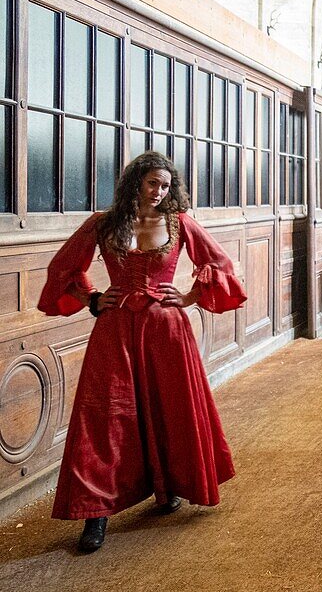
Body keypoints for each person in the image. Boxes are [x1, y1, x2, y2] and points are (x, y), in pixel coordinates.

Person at [36, 151, 246, 552]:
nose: (159, 191)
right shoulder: (103, 223)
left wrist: (187, 296)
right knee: (106, 417)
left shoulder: (179, 222)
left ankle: (168, 488)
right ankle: (95, 514)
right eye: (153, 183)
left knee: (168, 407)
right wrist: (93, 298)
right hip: (114, 330)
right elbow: (63, 268)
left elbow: (219, 263)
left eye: (165, 185)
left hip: (166, 329)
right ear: (135, 181)